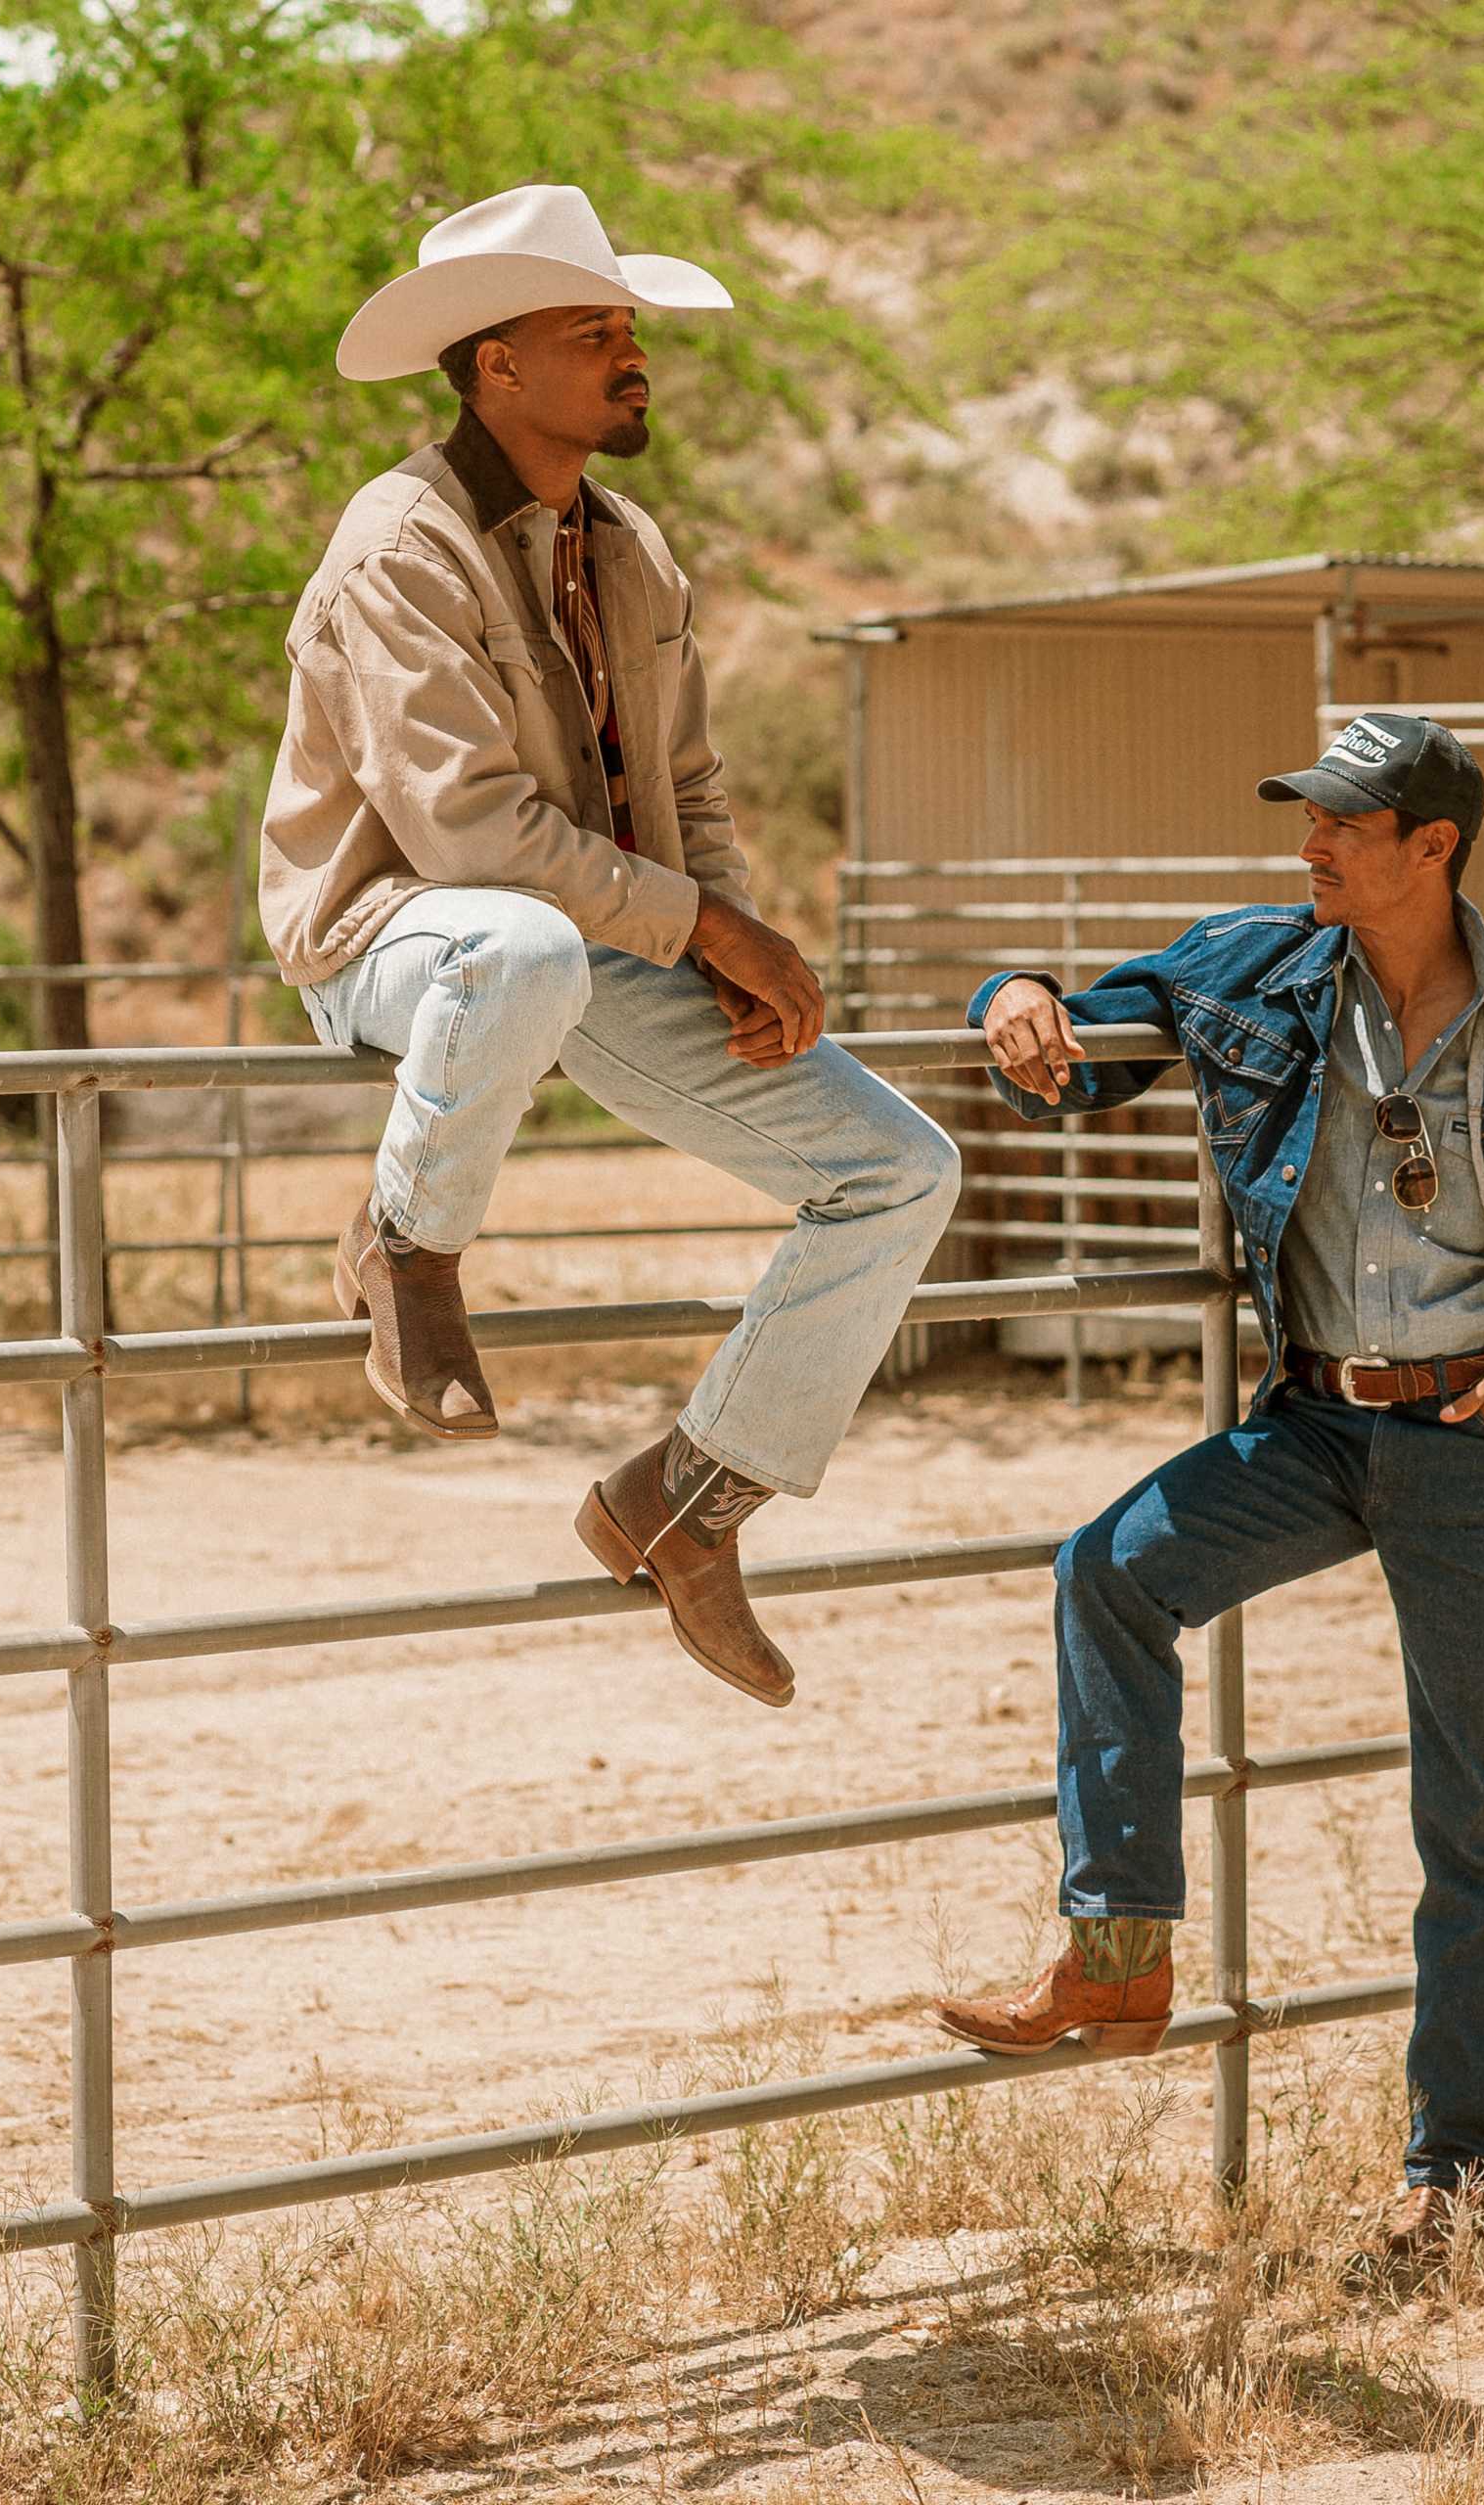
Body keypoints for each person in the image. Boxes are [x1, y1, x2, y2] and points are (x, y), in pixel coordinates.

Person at [926, 710, 1484, 2256]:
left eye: (1343, 823)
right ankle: (1120, 1948)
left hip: (1480, 1441)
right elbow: (1084, 1033)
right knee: (1109, 1570)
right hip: (1317, 1423)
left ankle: (1454, 2175)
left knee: (1478, 1821)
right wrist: (1011, 997)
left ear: (1435, 847)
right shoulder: (1256, 966)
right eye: (1308, 817)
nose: (1309, 844)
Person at [262, 184, 961, 1708]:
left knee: (905, 1169)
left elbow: (685, 782)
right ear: (494, 364)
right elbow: (465, 836)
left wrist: (727, 939)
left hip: (594, 938)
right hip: (400, 939)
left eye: (628, 324)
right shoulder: (400, 544)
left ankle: (691, 1505)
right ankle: (407, 1247)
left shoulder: (628, 545)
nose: (628, 350)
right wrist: (707, 923)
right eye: (593, 329)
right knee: (511, 953)